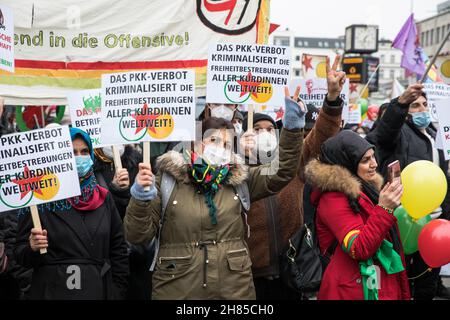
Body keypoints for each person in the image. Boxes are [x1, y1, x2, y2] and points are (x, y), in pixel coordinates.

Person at [123, 89, 306, 299]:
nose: (221, 148)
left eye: (227, 144)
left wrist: (292, 126)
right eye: (213, 141)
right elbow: (137, 235)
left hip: (233, 290)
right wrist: (139, 198)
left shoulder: (238, 178)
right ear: (195, 143)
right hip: (179, 290)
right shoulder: (166, 180)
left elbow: (281, 171)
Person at [238, 56, 346, 300]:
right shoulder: (234, 168)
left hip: (292, 267)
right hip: (248, 273)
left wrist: (331, 101)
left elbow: (321, 137)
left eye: (268, 130)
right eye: (257, 130)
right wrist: (238, 156)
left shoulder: (291, 162)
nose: (263, 134)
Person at [14, 128, 129, 300]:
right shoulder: (40, 200)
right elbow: (19, 253)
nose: (79, 157)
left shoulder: (103, 197)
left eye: (84, 152)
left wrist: (114, 291)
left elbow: (118, 250)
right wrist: (32, 248)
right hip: (51, 292)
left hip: (97, 291)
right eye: (72, 152)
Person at [366, 83, 450, 300]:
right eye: (414, 106)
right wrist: (400, 103)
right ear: (406, 112)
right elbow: (383, 134)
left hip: (434, 220)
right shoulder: (399, 134)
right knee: (401, 280)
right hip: (405, 220)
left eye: (424, 104)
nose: (421, 109)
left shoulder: (435, 135)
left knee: (428, 280)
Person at [305, 130, 410, 300]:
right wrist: (385, 209)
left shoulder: (366, 188)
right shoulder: (333, 198)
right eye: (365, 160)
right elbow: (359, 249)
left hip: (374, 281)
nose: (374, 164)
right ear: (347, 163)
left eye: (373, 157)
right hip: (352, 289)